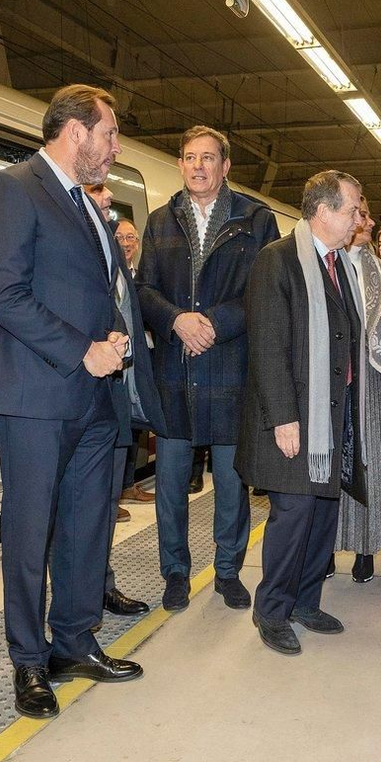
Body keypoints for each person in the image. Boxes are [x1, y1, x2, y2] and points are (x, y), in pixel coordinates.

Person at [0, 83, 145, 720]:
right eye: (109, 134)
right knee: (30, 529)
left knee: (86, 523)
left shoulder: (85, 203)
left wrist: (111, 338)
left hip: (94, 394)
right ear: (77, 131)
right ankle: (29, 659)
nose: (115, 148)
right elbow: (5, 296)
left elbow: (91, 291)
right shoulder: (11, 190)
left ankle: (74, 641)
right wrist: (82, 350)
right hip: (37, 395)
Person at [138, 125, 279, 612]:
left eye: (208, 157)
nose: (198, 166)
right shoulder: (160, 222)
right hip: (174, 371)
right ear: (180, 164)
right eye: (190, 157)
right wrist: (176, 320)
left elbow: (265, 291)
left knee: (232, 483)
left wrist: (214, 324)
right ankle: (175, 572)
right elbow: (144, 290)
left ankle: (228, 571)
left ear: (225, 166)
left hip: (230, 367)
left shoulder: (255, 221)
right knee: (170, 485)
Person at [236, 170, 365, 654]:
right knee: (293, 515)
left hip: (331, 415)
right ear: (324, 211)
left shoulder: (339, 264)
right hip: (294, 416)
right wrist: (284, 419)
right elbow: (267, 345)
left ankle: (306, 601)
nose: (358, 219)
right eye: (352, 210)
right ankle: (272, 610)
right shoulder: (278, 260)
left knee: (323, 513)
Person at [84, 180, 167, 616]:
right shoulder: (73, 251)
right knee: (80, 510)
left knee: (102, 508)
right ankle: (80, 597)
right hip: (82, 400)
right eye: (95, 190)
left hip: (115, 402)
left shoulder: (112, 252)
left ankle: (101, 585)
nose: (107, 200)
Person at [333, 195, 381, 583]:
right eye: (362, 215)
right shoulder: (325, 263)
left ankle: (366, 548)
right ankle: (325, 547)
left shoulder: (377, 269)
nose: (370, 222)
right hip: (333, 379)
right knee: (328, 463)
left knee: (371, 463)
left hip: (371, 382)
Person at [112, 217, 156, 507]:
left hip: (141, 357)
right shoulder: (108, 272)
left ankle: (127, 484)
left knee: (135, 422)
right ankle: (113, 493)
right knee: (117, 421)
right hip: (115, 359)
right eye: (120, 238)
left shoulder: (142, 279)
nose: (126, 244)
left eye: (131, 238)